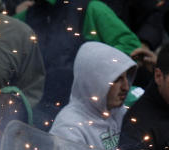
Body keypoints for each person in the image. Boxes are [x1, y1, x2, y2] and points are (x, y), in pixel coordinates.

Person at [17, 0, 152, 129]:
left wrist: (96, 72)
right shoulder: (30, 13)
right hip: (37, 106)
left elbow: (130, 47)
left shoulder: (89, 8)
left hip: (86, 110)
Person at [49, 41, 147, 150]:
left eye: (127, 78)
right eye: (117, 79)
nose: (126, 86)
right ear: (94, 81)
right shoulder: (69, 128)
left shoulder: (118, 112)